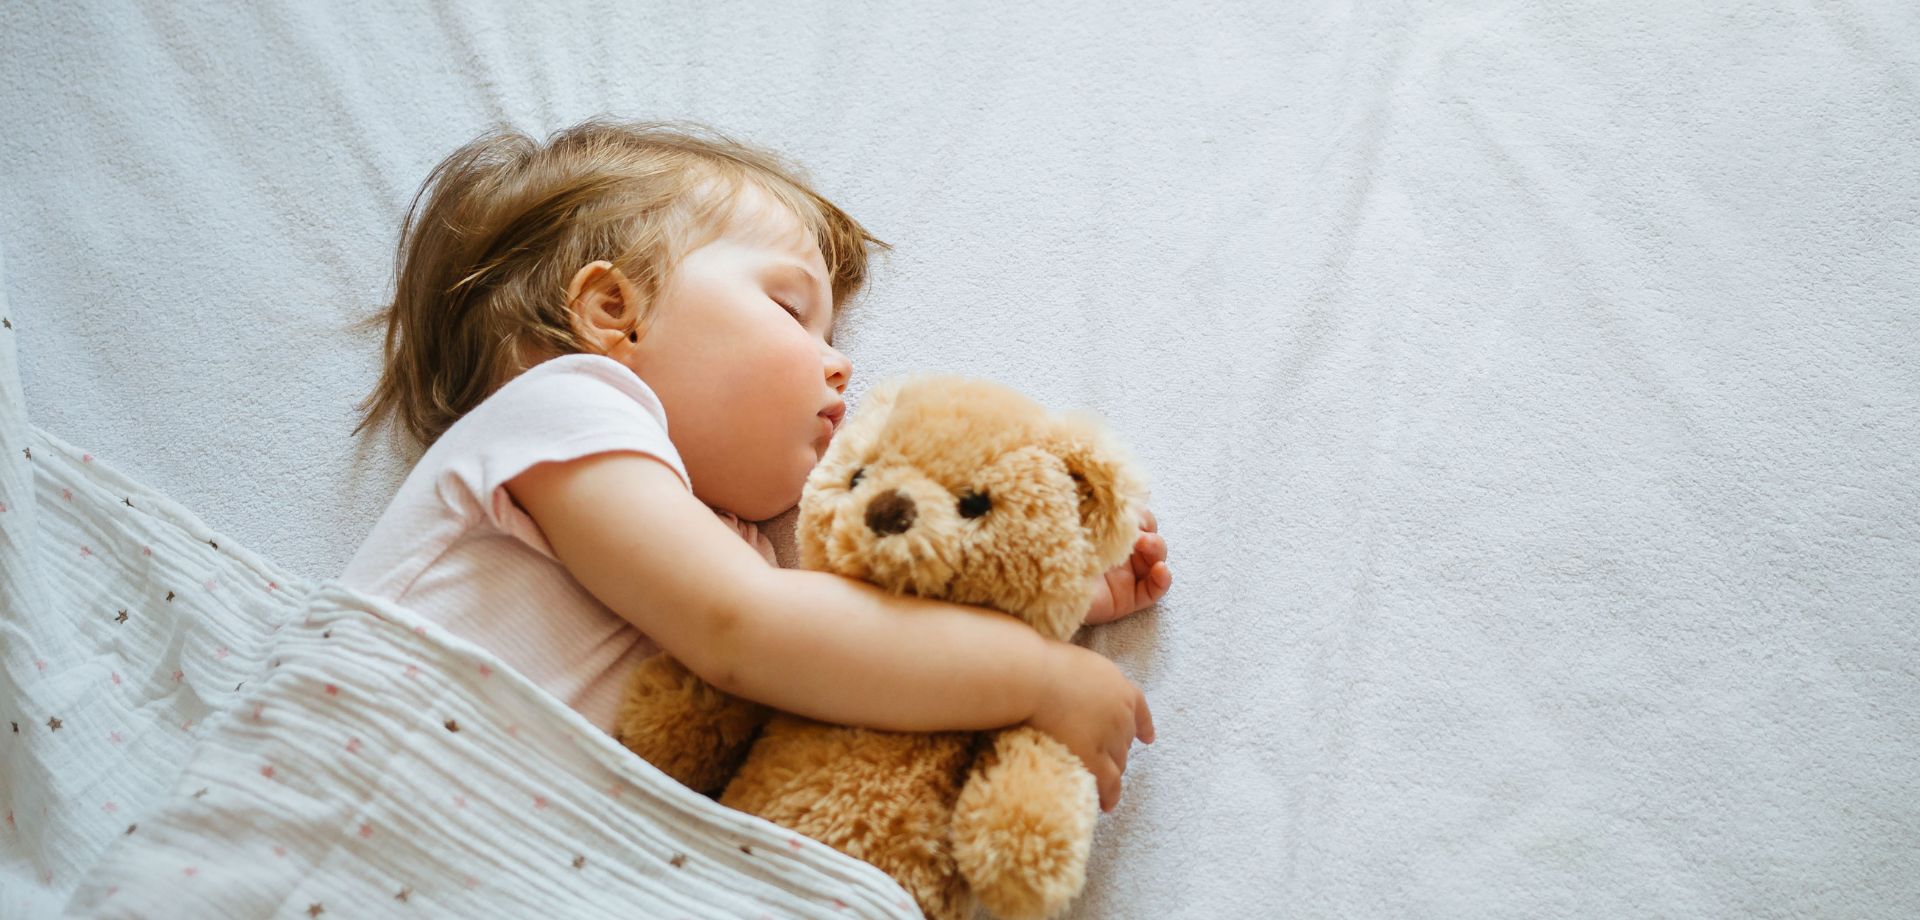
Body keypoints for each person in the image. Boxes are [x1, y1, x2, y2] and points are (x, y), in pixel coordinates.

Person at [342, 118, 1172, 811]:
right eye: (790, 309)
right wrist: (1033, 675)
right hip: (354, 808)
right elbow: (747, 629)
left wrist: (1023, 595)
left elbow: (846, 647)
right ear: (610, 313)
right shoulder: (564, 410)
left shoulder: (738, 544)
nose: (840, 366)